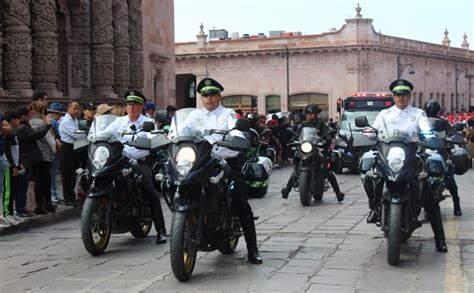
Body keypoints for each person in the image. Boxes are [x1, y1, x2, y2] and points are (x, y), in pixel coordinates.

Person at [177, 78, 262, 264]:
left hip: (225, 161)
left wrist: (237, 138)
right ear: (201, 98)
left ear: (219, 96)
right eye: (205, 95)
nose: (209, 98)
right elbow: (180, 131)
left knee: (240, 199)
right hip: (199, 163)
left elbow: (236, 131)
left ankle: (252, 249)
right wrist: (170, 137)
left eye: (212, 94)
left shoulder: (228, 114)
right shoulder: (193, 116)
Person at [370, 79, 447, 253]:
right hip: (389, 157)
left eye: (404, 94)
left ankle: (440, 240)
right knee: (371, 176)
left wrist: (429, 137)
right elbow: (373, 130)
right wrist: (367, 133)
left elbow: (426, 130)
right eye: (397, 94)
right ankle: (374, 208)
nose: (401, 98)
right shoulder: (384, 114)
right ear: (393, 96)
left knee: (430, 196)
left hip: (412, 156)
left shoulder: (418, 114)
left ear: (409, 95)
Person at [106, 90, 167, 245]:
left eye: (135, 104)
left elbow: (153, 139)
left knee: (148, 189)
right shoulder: (119, 122)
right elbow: (105, 134)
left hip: (140, 161)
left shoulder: (148, 123)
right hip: (120, 160)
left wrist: (152, 141)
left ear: (141, 106)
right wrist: (93, 137)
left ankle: (161, 230)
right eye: (129, 104)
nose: (131, 107)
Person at [281, 104, 345, 202]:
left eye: (312, 114)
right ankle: (286, 190)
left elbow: (327, 132)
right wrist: (292, 140)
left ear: (317, 114)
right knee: (296, 169)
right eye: (309, 114)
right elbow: (297, 135)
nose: (310, 116)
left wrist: (327, 137)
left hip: (317, 149)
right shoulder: (303, 125)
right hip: (305, 149)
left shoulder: (321, 124)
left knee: (327, 171)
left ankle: (338, 193)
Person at [424, 98, 462, 216]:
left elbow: (451, 133)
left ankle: (456, 204)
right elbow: (412, 133)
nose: (431, 111)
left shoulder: (444, 123)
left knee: (449, 177)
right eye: (430, 109)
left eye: (433, 109)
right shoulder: (421, 122)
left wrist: (450, 141)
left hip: (440, 152)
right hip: (424, 151)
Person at [15, 105, 53, 218]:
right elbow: (36, 134)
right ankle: (22, 209)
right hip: (27, 160)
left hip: (31, 159)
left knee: (34, 183)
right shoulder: (22, 128)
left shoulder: (25, 126)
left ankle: (30, 206)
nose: (30, 116)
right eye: (28, 114)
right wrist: (46, 124)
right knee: (24, 185)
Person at [29, 101, 57, 214]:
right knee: (45, 180)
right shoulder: (43, 123)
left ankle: (40, 204)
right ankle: (45, 204)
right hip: (45, 154)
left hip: (34, 155)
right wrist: (54, 150)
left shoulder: (30, 123)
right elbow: (50, 140)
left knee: (38, 180)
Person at [58, 100, 82, 206]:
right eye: (74, 108)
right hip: (66, 148)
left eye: (78, 108)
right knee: (67, 174)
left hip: (75, 147)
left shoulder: (75, 120)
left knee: (73, 174)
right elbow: (76, 134)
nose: (76, 111)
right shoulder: (66, 121)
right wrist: (85, 134)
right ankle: (68, 197)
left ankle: (72, 196)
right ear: (68, 109)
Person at [46, 103, 66, 203]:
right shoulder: (51, 123)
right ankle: (52, 195)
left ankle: (54, 194)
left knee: (53, 175)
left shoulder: (56, 122)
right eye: (59, 114)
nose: (61, 116)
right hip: (53, 150)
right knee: (51, 175)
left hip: (57, 150)